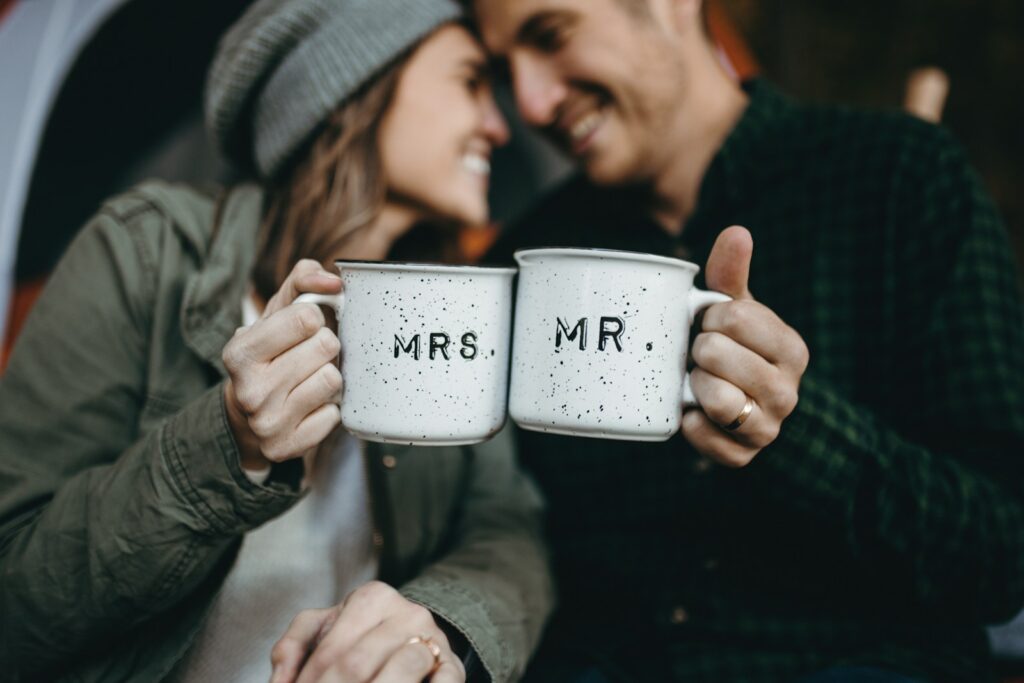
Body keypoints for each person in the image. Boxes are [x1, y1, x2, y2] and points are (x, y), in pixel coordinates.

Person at [0, 1, 553, 681]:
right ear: (357, 82)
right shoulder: (143, 251)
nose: (500, 124)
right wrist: (227, 446)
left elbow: (507, 529)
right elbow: (14, 603)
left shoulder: (452, 302)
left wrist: (440, 625)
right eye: (470, 80)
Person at [471, 0, 1024, 681]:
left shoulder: (903, 178)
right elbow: (498, 523)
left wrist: (794, 429)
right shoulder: (523, 260)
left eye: (551, 35)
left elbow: (1003, 555)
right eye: (504, 70)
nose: (530, 101)